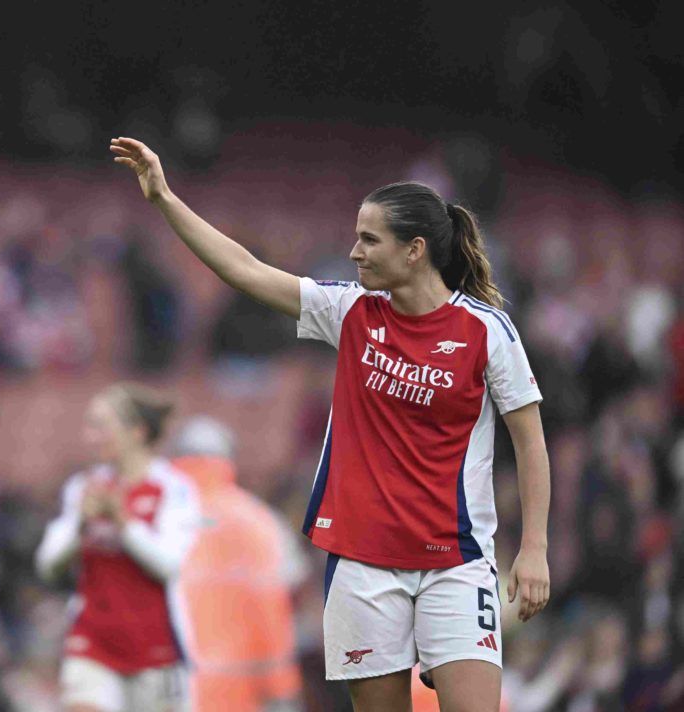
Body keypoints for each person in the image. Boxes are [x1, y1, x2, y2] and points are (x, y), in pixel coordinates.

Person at [111, 137, 551, 712]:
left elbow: (531, 440)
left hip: (457, 562)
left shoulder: (487, 330)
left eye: (369, 239)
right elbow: (243, 269)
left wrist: (535, 547)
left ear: (415, 250)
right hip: (362, 566)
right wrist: (165, 198)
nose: (354, 252)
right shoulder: (347, 312)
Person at [35, 383, 201, 712]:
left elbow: (169, 564)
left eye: (100, 426)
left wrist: (123, 524)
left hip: (156, 647)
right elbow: (47, 566)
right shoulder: (84, 487)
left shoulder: (173, 489)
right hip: (91, 642)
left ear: (136, 432)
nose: (90, 437)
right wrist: (80, 527)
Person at [170, 416, 307, 712]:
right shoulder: (262, 522)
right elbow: (284, 602)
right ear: (228, 460)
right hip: (246, 694)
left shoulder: (154, 517)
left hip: (170, 692)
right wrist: (282, 690)